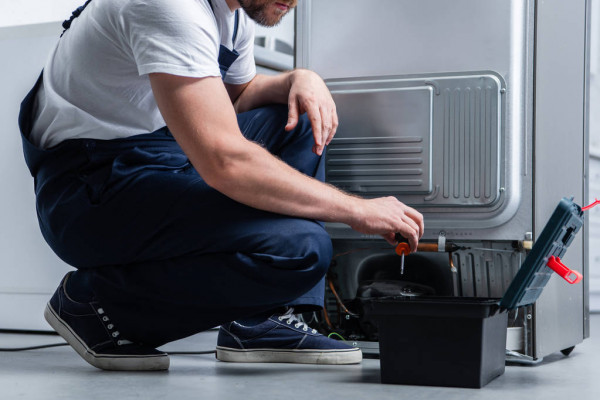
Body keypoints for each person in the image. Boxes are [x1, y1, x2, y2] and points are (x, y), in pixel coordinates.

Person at [18, 0, 424, 371]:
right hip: (89, 194)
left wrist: (300, 79)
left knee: (298, 114)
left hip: (157, 158)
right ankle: (97, 304)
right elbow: (225, 161)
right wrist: (358, 209)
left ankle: (258, 319)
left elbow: (237, 95)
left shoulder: (229, 14)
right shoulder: (170, 7)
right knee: (301, 250)